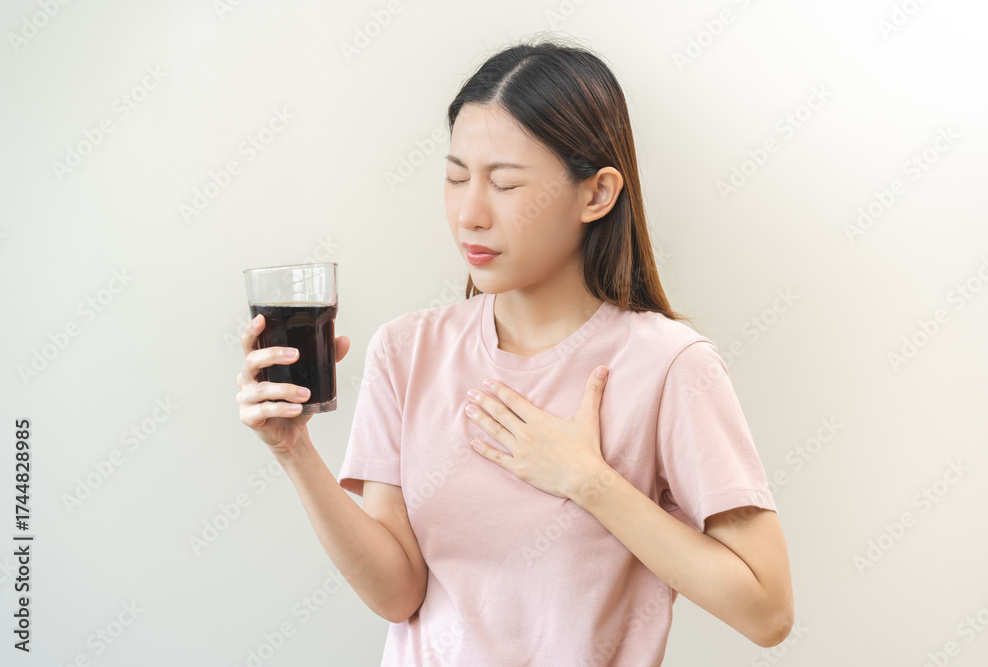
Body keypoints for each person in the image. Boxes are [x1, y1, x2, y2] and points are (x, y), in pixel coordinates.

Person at [236, 37, 793, 666]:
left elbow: (767, 612)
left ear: (596, 194)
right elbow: (397, 594)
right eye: (455, 178)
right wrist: (293, 450)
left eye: (503, 183)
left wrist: (589, 482)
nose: (469, 213)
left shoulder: (671, 366)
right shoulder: (406, 350)